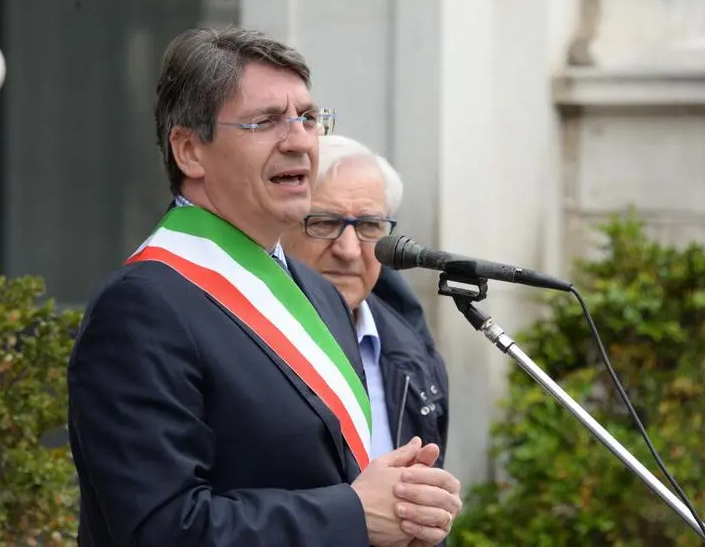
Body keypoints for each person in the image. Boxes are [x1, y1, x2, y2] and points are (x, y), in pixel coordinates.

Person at [67, 27, 462, 547]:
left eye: (308, 118)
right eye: (266, 122)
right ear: (189, 150)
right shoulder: (142, 307)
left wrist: (405, 505)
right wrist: (352, 514)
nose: (298, 139)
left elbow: (331, 481)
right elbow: (160, 528)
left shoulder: (317, 293)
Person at [281, 135, 451, 469]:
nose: (348, 250)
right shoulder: (243, 342)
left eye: (370, 226)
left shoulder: (416, 358)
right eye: (325, 223)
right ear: (278, 229)